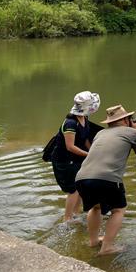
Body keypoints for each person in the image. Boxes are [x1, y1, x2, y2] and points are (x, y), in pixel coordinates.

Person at [75, 105, 136, 256]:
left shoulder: (100, 133)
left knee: (95, 208)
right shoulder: (131, 132)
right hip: (107, 178)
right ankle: (107, 247)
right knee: (118, 210)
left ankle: (93, 242)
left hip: (82, 177)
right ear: (125, 120)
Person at [50, 91, 101, 222]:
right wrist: (89, 155)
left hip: (76, 159)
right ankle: (67, 219)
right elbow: (70, 146)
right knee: (73, 190)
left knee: (79, 187)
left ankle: (76, 214)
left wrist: (94, 152)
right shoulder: (70, 123)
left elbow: (85, 140)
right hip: (65, 161)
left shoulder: (84, 118)